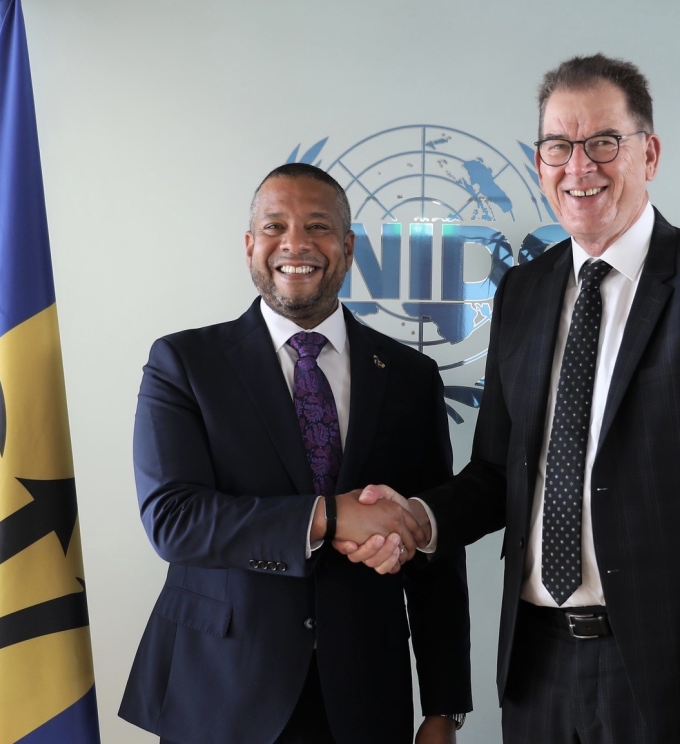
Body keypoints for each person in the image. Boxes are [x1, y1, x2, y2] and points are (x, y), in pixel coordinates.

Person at [340, 54, 680, 743]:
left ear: (649, 152)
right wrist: (419, 520)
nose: (578, 166)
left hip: (670, 672)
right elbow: (498, 472)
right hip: (537, 668)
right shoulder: (524, 292)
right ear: (538, 161)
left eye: (603, 143)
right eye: (558, 145)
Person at [119, 163, 471, 744]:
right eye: (275, 226)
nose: (296, 244)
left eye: (318, 227)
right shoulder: (185, 364)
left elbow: (434, 544)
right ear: (250, 245)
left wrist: (443, 705)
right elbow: (173, 521)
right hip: (221, 692)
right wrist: (328, 516)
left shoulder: (410, 376)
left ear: (349, 247)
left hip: (365, 696)